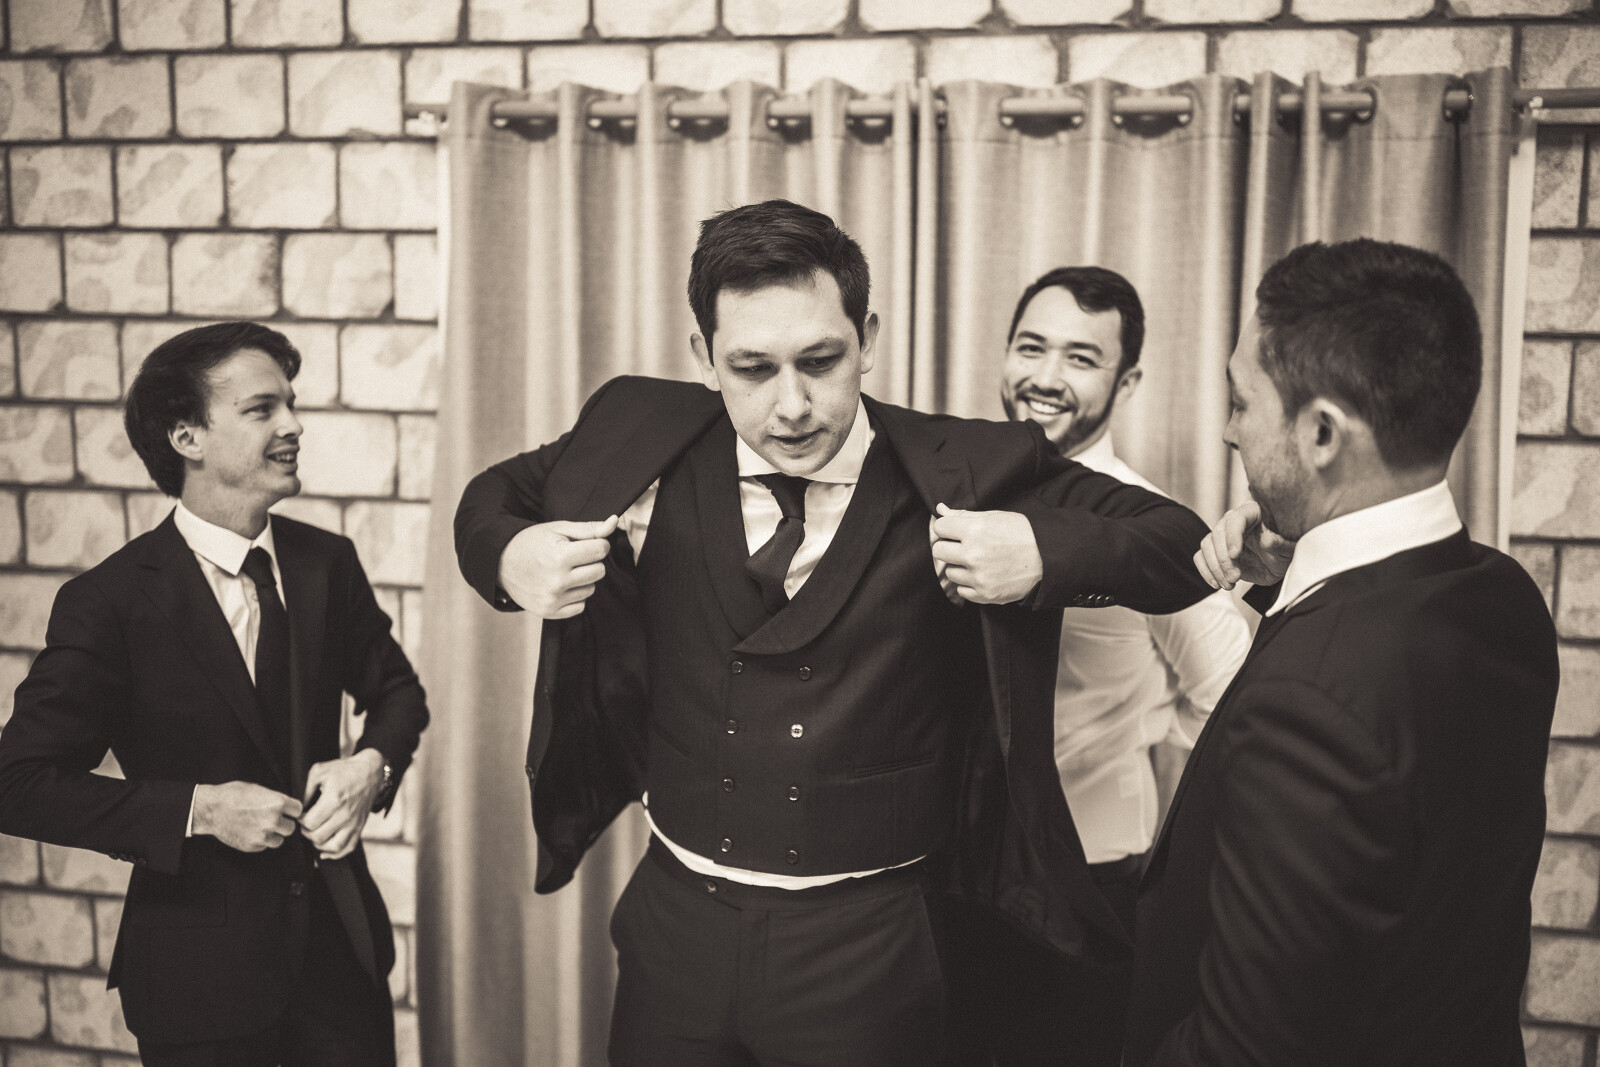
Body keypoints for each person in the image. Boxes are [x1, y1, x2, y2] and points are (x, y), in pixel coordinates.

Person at [453, 199, 1216, 1066]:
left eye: (820, 361)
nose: (792, 406)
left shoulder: (973, 464)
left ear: (868, 338)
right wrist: (508, 555)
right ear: (703, 356)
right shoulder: (637, 428)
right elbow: (490, 496)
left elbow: (1179, 543)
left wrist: (1042, 550)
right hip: (675, 928)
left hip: (873, 949)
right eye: (752, 368)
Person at [1124, 239, 1559, 1066]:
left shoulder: (1309, 702)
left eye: (1241, 402)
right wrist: (1287, 580)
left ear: (1322, 432)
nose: (1227, 431)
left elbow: (1249, 1046)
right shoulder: (1503, 596)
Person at [0, 322, 429, 1067]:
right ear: (187, 437)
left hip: (342, 962)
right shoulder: (108, 602)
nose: (294, 425)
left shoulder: (327, 562)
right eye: (263, 409)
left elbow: (397, 691)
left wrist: (371, 767)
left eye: (291, 404)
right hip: (200, 987)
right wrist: (200, 809)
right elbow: (19, 783)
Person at [950, 267, 1249, 1066]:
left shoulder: (1149, 532)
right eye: (1031, 348)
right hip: (957, 870)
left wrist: (1141, 728)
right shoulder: (961, 489)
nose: (1046, 376)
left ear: (1128, 381)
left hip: (1088, 874)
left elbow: (1233, 699)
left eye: (1081, 358)